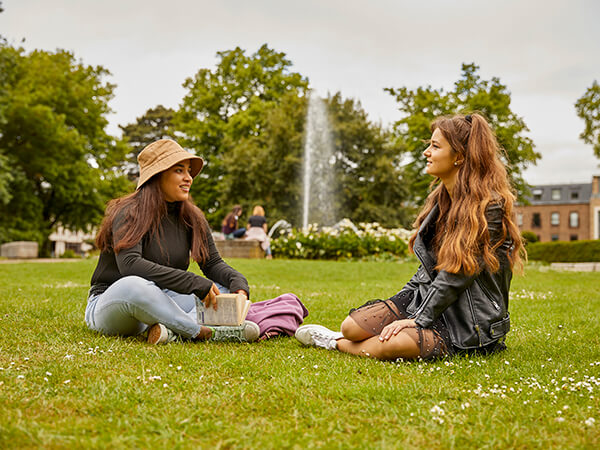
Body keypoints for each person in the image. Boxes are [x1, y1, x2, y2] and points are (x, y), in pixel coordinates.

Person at [295, 113, 525, 360]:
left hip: (468, 321)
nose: (426, 152)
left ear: (459, 156)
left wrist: (417, 320)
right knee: (351, 327)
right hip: (429, 298)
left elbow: (457, 275)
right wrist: (401, 307)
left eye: (435, 146)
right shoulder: (440, 201)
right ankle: (346, 336)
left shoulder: (489, 207)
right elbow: (427, 270)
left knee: (394, 344)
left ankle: (332, 342)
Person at [85, 139, 259, 344]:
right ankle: (202, 331)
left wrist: (238, 283)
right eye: (179, 171)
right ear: (157, 176)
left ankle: (171, 330)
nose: (189, 178)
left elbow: (212, 263)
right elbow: (130, 264)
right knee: (134, 285)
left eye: (189, 171)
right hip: (118, 304)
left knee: (220, 289)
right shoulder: (129, 212)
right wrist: (192, 282)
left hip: (167, 300)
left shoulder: (192, 217)